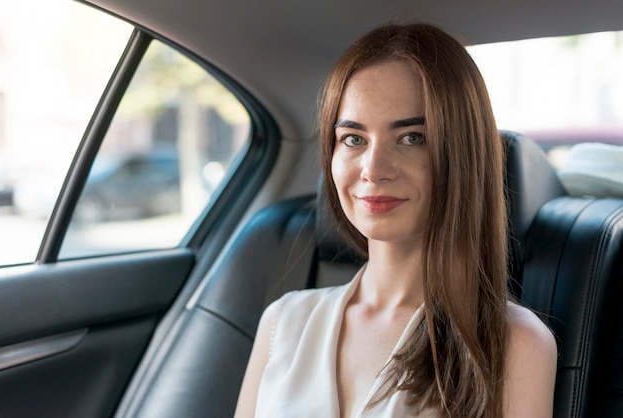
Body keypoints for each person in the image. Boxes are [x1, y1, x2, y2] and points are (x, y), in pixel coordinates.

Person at [235, 23, 557, 418]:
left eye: (412, 138)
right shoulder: (283, 324)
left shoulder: (515, 345)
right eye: (354, 139)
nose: (374, 169)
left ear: (462, 155)